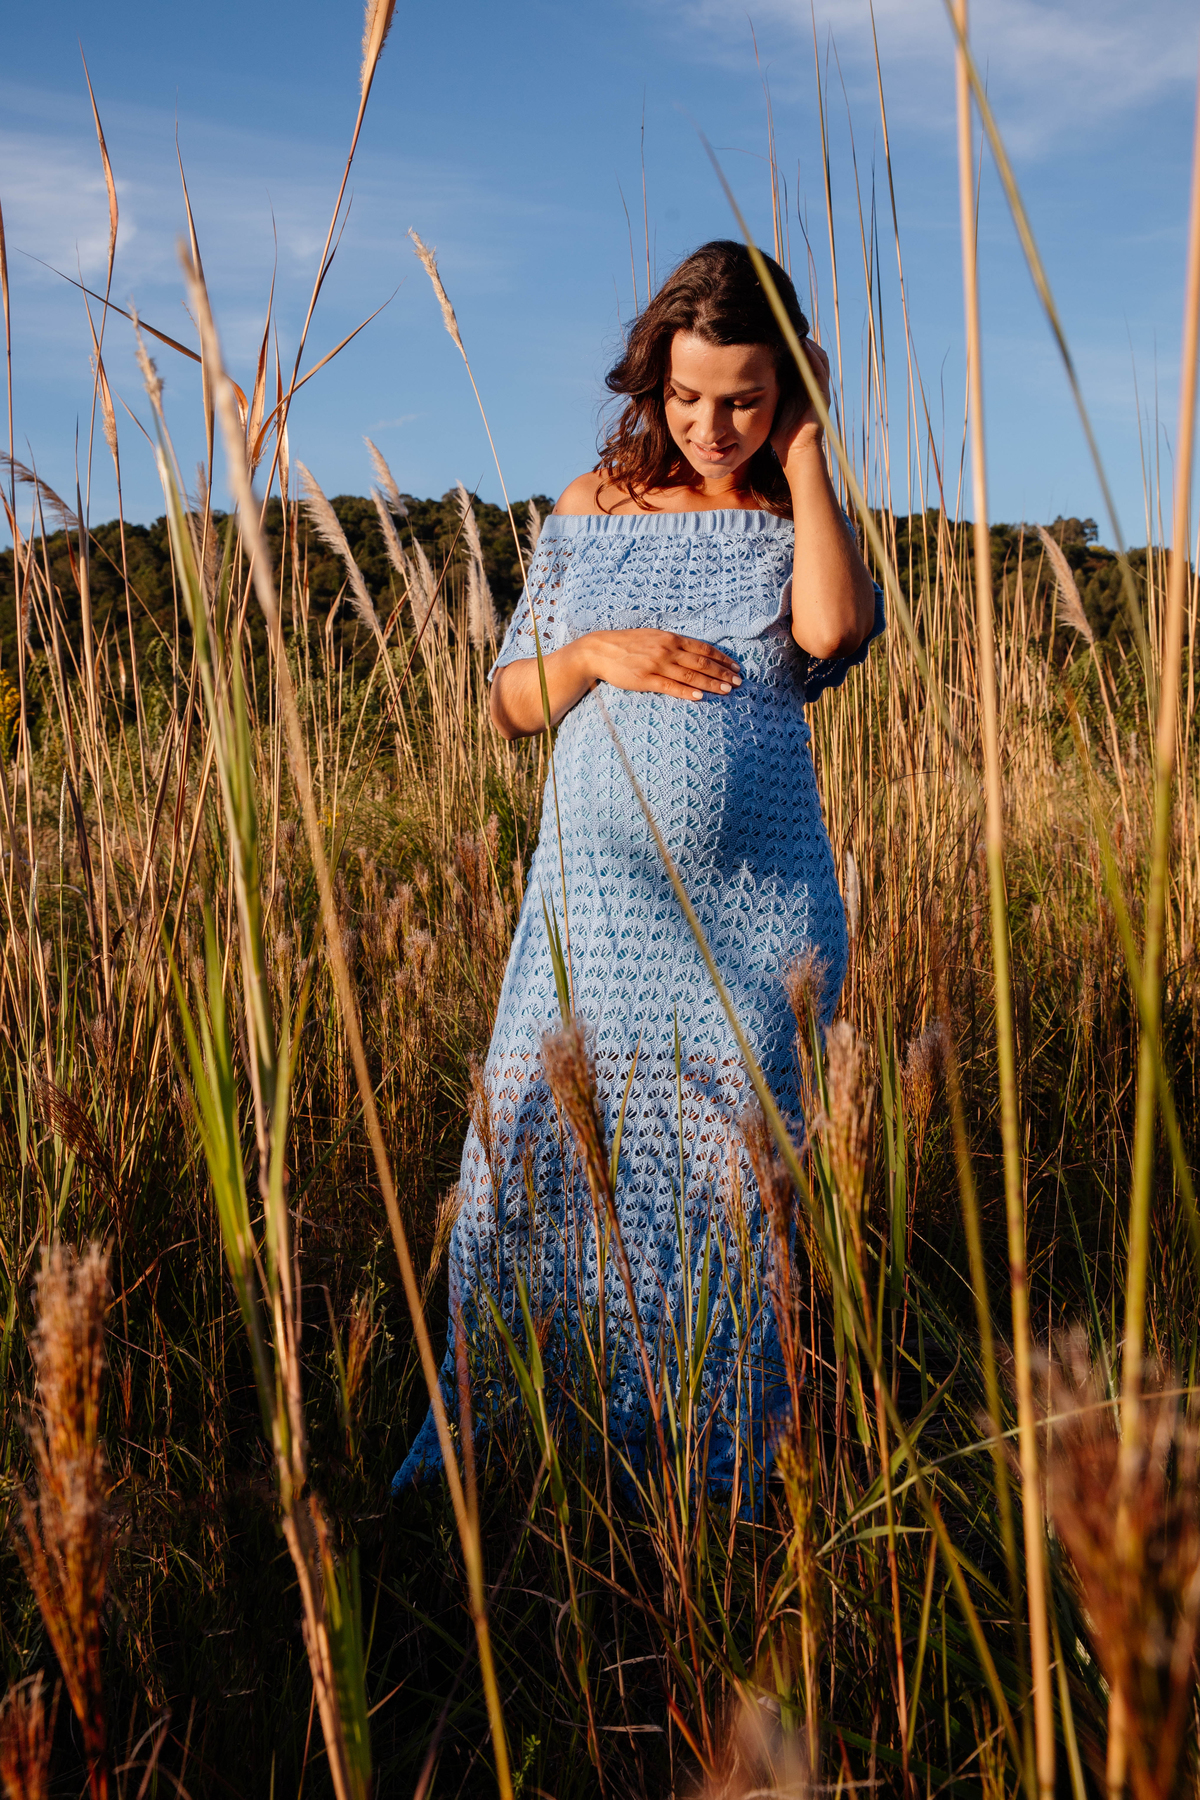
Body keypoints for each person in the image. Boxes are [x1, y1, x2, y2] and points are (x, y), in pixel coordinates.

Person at [394, 239, 883, 1503]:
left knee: (723, 1200)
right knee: (533, 1177)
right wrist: (593, 654)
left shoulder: (792, 516)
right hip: (598, 919)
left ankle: (704, 1479)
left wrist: (809, 452)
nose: (713, 426)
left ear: (789, 390)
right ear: (652, 382)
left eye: (748, 399)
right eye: (687, 396)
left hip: (754, 927)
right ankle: (525, 1453)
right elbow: (507, 702)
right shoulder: (593, 505)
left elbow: (833, 631)